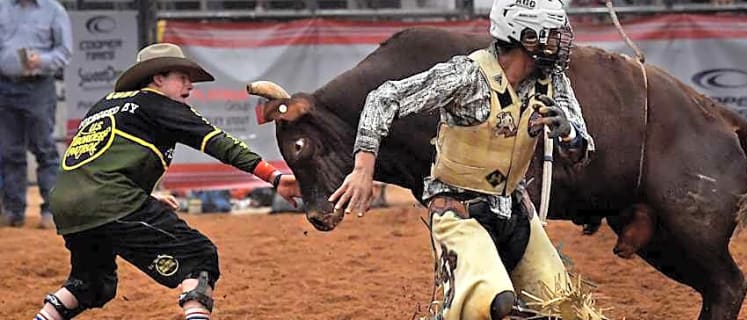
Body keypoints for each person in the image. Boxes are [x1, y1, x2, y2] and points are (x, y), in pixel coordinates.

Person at [329, 0, 606, 318]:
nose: (561, 41)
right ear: (526, 36)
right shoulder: (468, 75)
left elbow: (581, 153)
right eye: (552, 33)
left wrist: (570, 134)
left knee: (570, 308)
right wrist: (363, 167)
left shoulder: (553, 81)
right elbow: (383, 99)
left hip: (517, 213)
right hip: (459, 211)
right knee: (490, 301)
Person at [31, 43, 301, 320]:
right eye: (182, 77)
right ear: (159, 78)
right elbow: (219, 143)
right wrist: (275, 177)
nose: (190, 85)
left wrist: (143, 196)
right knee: (199, 256)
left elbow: (95, 162)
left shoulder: (104, 106)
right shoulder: (158, 103)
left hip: (68, 205)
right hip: (111, 201)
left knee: (91, 283)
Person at [0, 0, 73, 229]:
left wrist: (41, 60)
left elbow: (65, 52)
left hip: (39, 85)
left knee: (44, 149)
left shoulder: (54, 10)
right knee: (9, 151)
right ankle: (13, 211)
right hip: (4, 85)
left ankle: (51, 210)